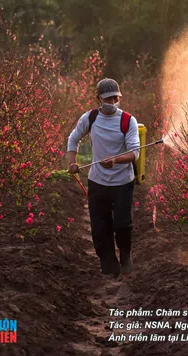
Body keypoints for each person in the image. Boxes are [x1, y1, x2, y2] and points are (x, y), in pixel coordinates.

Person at [66, 78, 140, 278]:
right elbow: (73, 138)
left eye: (116, 98)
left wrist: (116, 159)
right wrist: (72, 162)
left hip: (123, 182)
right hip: (97, 182)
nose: (112, 102)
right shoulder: (89, 118)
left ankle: (125, 256)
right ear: (98, 98)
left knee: (123, 225)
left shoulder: (128, 121)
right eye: (108, 99)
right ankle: (109, 268)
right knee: (100, 228)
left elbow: (135, 152)